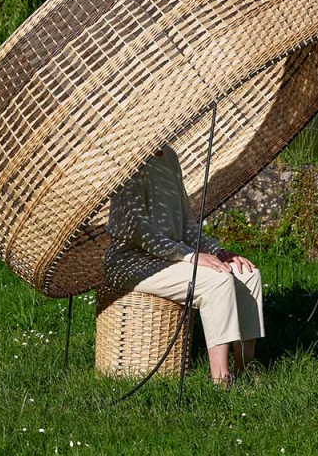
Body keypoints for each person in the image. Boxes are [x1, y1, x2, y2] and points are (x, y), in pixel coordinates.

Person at [105, 142, 263, 386]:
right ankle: (221, 379)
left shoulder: (168, 156)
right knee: (216, 282)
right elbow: (139, 230)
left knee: (247, 273)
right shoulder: (127, 160)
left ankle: (246, 369)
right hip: (131, 261)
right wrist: (189, 256)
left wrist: (219, 253)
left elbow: (188, 226)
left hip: (170, 255)